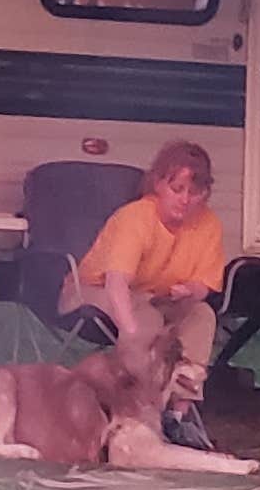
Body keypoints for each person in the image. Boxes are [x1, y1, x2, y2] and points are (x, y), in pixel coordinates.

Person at [66, 139, 230, 453]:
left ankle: (179, 414)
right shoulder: (136, 218)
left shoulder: (209, 224)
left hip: (157, 295)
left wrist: (190, 290)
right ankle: (133, 413)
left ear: (206, 193)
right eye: (177, 189)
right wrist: (132, 334)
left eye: (194, 192)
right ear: (158, 185)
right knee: (146, 318)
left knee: (201, 315)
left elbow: (204, 286)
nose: (185, 199)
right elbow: (116, 283)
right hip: (92, 289)